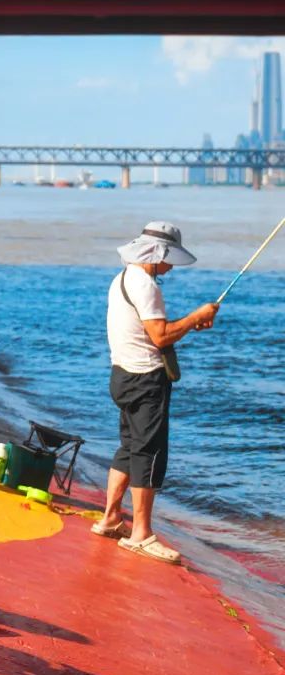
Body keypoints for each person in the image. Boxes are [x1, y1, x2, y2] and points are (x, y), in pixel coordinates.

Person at [94, 222, 218, 564]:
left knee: (129, 447)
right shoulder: (146, 285)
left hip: (122, 375)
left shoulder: (123, 279)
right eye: (170, 258)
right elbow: (160, 336)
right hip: (146, 380)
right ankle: (141, 534)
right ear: (156, 253)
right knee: (148, 454)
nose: (172, 266)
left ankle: (110, 518)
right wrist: (195, 317)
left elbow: (150, 328)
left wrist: (188, 323)